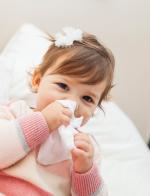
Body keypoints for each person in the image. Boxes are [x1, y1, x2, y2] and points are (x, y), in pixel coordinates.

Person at [0, 27, 115, 195]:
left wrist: (85, 171)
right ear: (37, 80)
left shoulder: (85, 149)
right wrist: (43, 122)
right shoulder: (15, 112)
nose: (72, 103)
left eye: (87, 99)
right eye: (63, 86)